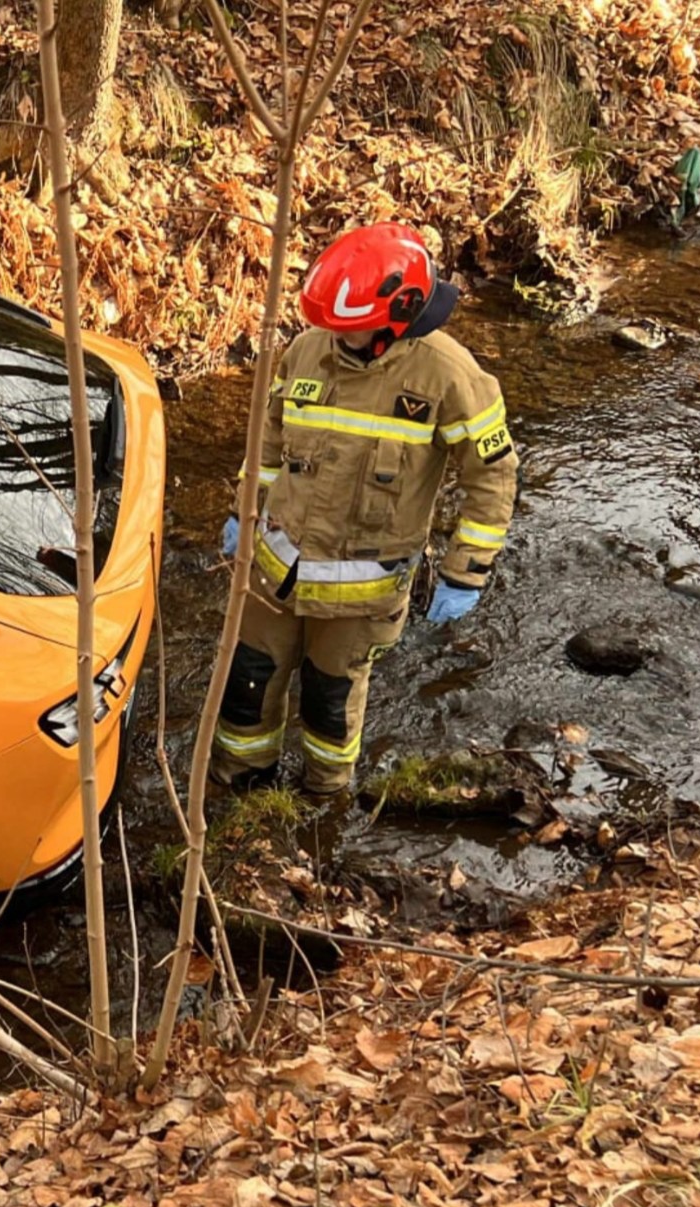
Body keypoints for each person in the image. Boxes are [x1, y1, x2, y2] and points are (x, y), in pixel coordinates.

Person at [212, 223, 517, 795]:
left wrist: (466, 568)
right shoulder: (307, 351)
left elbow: (492, 473)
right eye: (329, 327)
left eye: (349, 330)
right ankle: (238, 788)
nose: (335, 338)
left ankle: (324, 798)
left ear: (398, 317)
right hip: (274, 572)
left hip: (360, 591)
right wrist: (244, 509)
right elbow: (270, 440)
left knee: (330, 703)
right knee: (247, 685)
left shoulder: (448, 374)